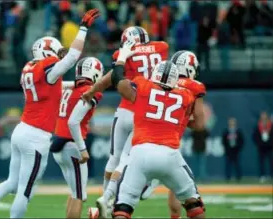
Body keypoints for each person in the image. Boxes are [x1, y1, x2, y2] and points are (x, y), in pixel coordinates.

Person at [0, 9, 100, 219]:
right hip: (36, 136)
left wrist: (84, 84)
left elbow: (56, 85)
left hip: (21, 130)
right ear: (48, 53)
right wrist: (82, 28)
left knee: (12, 181)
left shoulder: (29, 68)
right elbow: (73, 56)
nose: (59, 57)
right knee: (25, 191)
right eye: (56, 53)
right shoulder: (48, 68)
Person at [109, 41, 206, 219]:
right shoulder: (185, 96)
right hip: (170, 153)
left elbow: (119, 82)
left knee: (123, 206)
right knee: (194, 204)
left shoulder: (143, 86)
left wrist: (122, 58)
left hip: (141, 152)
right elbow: (197, 121)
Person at [82, 26, 169, 218]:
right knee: (127, 161)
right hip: (144, 111)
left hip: (123, 111)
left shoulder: (121, 53)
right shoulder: (161, 47)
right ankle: (110, 200)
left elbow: (112, 78)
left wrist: (92, 90)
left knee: (114, 159)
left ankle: (105, 203)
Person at [140, 50, 205, 219]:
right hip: (169, 144)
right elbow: (200, 124)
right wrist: (182, 122)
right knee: (190, 195)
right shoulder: (194, 86)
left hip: (145, 137)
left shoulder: (160, 79)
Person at [51, 57, 104, 218]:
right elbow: (73, 122)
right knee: (79, 196)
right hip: (72, 145)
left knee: (75, 193)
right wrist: (83, 149)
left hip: (59, 144)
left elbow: (59, 86)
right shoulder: (87, 91)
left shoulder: (69, 88)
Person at [253, 111, 273, 183]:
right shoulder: (258, 126)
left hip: (269, 146)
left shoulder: (271, 125)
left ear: (267, 117)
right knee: (261, 162)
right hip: (261, 147)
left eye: (265, 116)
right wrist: (259, 143)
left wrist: (270, 142)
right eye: (262, 116)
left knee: (271, 162)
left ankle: (271, 175)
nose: (264, 118)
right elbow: (255, 136)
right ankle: (262, 176)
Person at [222, 117, 244, 182]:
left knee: (237, 164)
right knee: (228, 165)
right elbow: (223, 141)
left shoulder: (238, 131)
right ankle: (228, 177)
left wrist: (238, 147)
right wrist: (226, 148)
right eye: (230, 122)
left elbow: (241, 140)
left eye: (233, 122)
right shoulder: (226, 131)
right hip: (229, 151)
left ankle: (238, 177)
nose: (232, 123)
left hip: (236, 150)